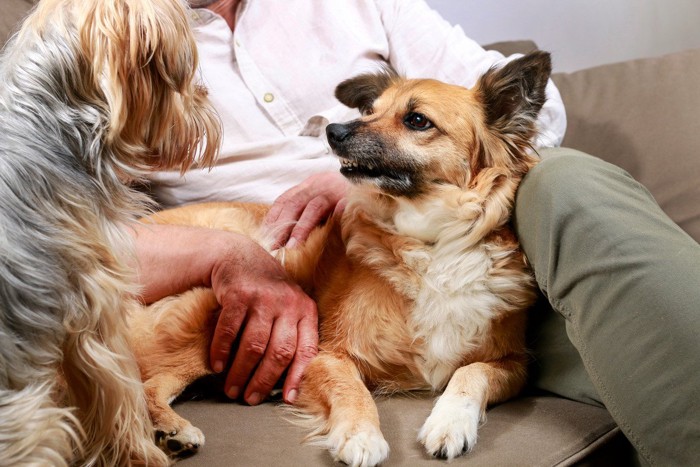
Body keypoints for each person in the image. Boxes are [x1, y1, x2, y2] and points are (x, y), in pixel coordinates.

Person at [131, 1, 700, 465]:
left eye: (410, 120)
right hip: (292, 255)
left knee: (569, 178)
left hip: (479, 248)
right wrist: (227, 254)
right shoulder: (106, 37)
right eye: (371, 112)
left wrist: (355, 178)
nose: (347, 129)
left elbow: (539, 114)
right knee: (646, 356)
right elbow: (62, 235)